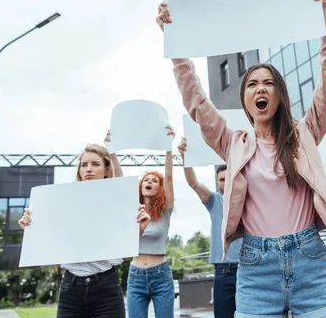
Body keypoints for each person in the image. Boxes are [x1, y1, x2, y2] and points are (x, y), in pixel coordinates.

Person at [157, 0, 326, 317]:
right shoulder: (233, 143)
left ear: (279, 95)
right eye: (253, 84)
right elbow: (197, 102)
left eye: (269, 83)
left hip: (310, 261)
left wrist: (324, 14)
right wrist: (175, 48)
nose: (261, 88)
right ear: (246, 99)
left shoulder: (304, 134)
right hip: (256, 268)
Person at [18, 140, 150, 318]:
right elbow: (56, 259)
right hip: (71, 288)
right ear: (79, 171)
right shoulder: (60, 203)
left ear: (106, 170)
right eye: (84, 165)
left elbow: (123, 254)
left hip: (107, 288)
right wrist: (33, 228)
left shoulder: (117, 203)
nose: (88, 168)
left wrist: (139, 230)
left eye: (95, 164)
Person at [177, 137, 242, 318]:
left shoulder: (249, 199)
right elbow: (193, 182)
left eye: (228, 177)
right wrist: (185, 157)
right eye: (220, 179)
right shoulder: (214, 201)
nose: (224, 182)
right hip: (224, 270)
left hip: (249, 268)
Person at [127, 125, 177, 318]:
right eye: (146, 180)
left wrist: (168, 145)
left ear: (160, 188)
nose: (149, 182)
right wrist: (112, 150)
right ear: (141, 187)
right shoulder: (133, 211)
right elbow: (118, 176)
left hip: (161, 275)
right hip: (135, 276)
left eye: (154, 181)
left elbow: (170, 177)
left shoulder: (164, 211)